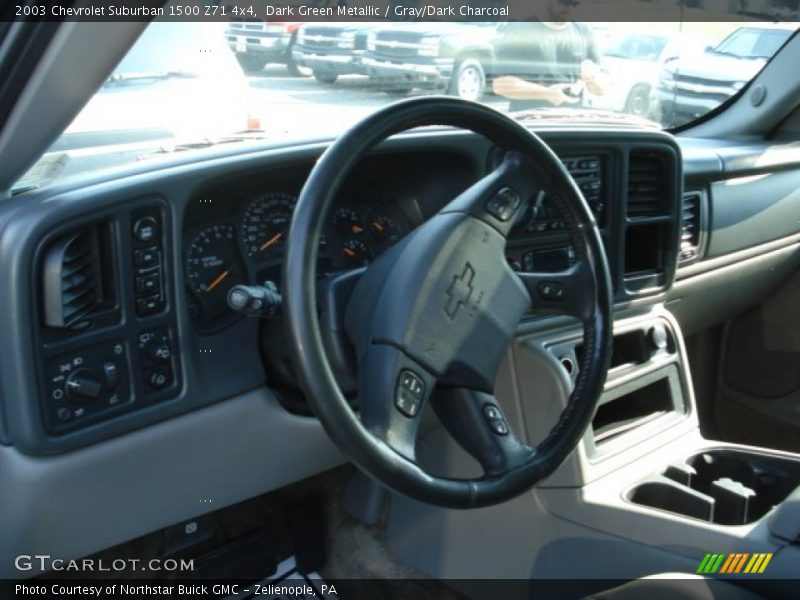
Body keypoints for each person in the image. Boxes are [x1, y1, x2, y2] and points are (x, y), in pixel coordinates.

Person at [492, 0, 606, 111]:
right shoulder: (520, 30)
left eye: (575, 3)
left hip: (571, 122)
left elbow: (602, 88)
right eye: (564, 2)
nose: (570, 8)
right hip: (530, 122)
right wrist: (546, 93)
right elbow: (500, 85)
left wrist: (594, 82)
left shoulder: (582, 30)